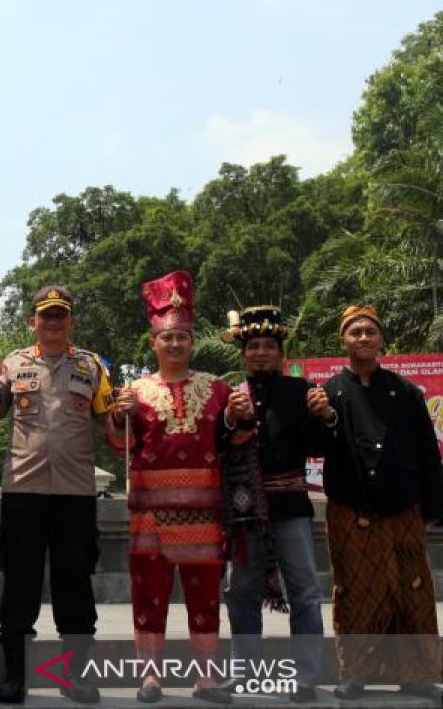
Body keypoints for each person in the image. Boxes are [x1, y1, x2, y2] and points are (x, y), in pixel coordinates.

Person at [108, 271, 255, 705]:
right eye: (167, 338)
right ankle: (150, 678)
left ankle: (206, 680)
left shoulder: (217, 388)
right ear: (153, 342)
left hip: (204, 512)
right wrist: (121, 415)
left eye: (182, 337)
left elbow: (236, 440)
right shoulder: (134, 390)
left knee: (204, 596)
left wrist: (240, 415)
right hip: (149, 513)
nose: (175, 344)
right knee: (148, 595)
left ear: (191, 341)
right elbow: (120, 444)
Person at [0, 285, 114, 706]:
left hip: (75, 492)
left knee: (76, 584)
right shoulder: (12, 364)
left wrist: (125, 418)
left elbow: (111, 425)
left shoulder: (93, 366)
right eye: (45, 314)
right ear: (33, 321)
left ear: (71, 321)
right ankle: (16, 674)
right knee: (20, 582)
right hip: (24, 490)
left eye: (60, 314)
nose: (52, 321)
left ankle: (76, 676)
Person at [307, 305, 442, 702]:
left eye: (370, 332)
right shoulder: (327, 392)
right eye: (355, 332)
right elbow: (316, 448)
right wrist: (324, 418)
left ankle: (417, 674)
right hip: (351, 508)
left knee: (412, 590)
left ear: (382, 340)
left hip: (403, 505)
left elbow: (427, 452)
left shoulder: (405, 392)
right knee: (355, 592)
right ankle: (355, 673)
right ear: (342, 341)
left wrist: (433, 506)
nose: (363, 338)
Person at [219, 306, 324, 704]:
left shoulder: (302, 392)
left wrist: (324, 416)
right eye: (253, 347)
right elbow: (219, 447)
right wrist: (230, 421)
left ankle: (306, 678)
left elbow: (321, 446)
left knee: (306, 593)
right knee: (241, 593)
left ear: (281, 354)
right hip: (245, 512)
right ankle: (246, 674)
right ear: (243, 354)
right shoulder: (231, 395)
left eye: (268, 346)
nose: (260, 353)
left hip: (291, 507)